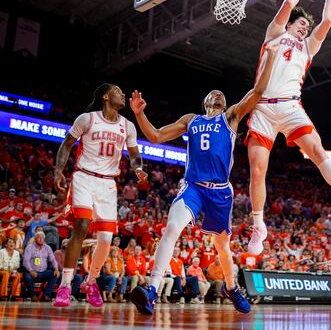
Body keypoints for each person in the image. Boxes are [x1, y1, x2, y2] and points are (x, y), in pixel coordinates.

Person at [128, 43, 278, 315]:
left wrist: (271, 58)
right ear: (206, 102)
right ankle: (150, 290)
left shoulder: (231, 117)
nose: (218, 94)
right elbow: (157, 136)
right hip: (193, 187)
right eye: (213, 93)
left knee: (222, 246)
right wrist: (139, 114)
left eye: (221, 93)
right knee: (172, 228)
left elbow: (257, 92)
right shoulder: (191, 120)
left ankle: (231, 288)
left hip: (220, 192)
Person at [245, 0, 331, 255]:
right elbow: (287, 7)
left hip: (290, 105)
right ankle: (258, 225)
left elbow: (327, 21)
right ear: (289, 24)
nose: (303, 28)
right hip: (262, 106)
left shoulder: (308, 46)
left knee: (318, 151)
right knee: (257, 170)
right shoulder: (274, 35)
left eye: (305, 26)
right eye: (300, 24)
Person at [53, 83, 148, 308]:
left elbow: (134, 155)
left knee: (106, 239)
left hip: (107, 184)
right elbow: (66, 145)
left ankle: (91, 281)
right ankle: (65, 285)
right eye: (117, 91)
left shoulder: (128, 126)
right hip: (84, 177)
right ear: (106, 97)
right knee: (82, 226)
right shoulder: (87, 119)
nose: (123, 94)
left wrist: (138, 169)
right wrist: (58, 170)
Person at [23, 232, 60, 301]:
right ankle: (33, 296)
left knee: (55, 274)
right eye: (39, 237)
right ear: (35, 239)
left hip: (43, 273)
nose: (41, 239)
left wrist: (56, 268)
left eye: (42, 238)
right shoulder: (29, 247)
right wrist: (31, 270)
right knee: (27, 276)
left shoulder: (47, 248)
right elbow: (25, 261)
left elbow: (53, 260)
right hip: (32, 272)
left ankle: (46, 295)